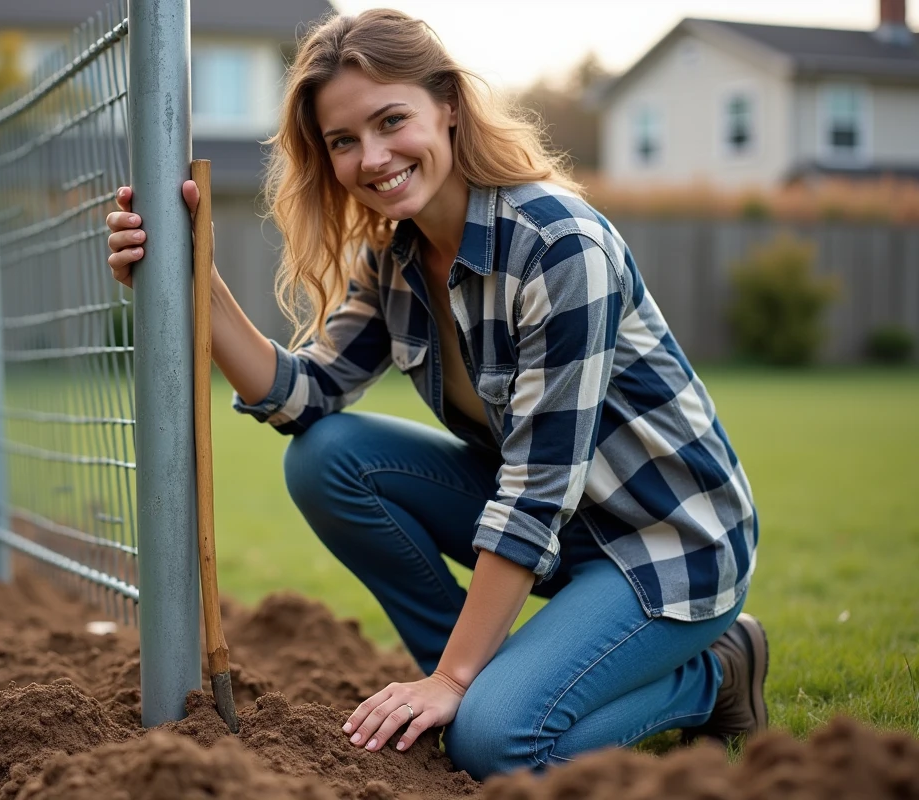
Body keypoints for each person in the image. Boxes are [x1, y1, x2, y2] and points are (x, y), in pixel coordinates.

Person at [105, 8, 767, 781]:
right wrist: (196, 281)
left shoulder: (559, 248)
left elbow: (534, 492)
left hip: (665, 546)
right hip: (564, 529)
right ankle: (480, 678)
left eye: (391, 121)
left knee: (497, 746)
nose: (373, 158)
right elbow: (304, 399)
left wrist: (455, 682)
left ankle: (715, 671)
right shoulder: (395, 257)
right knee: (328, 459)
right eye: (344, 141)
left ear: (447, 105)